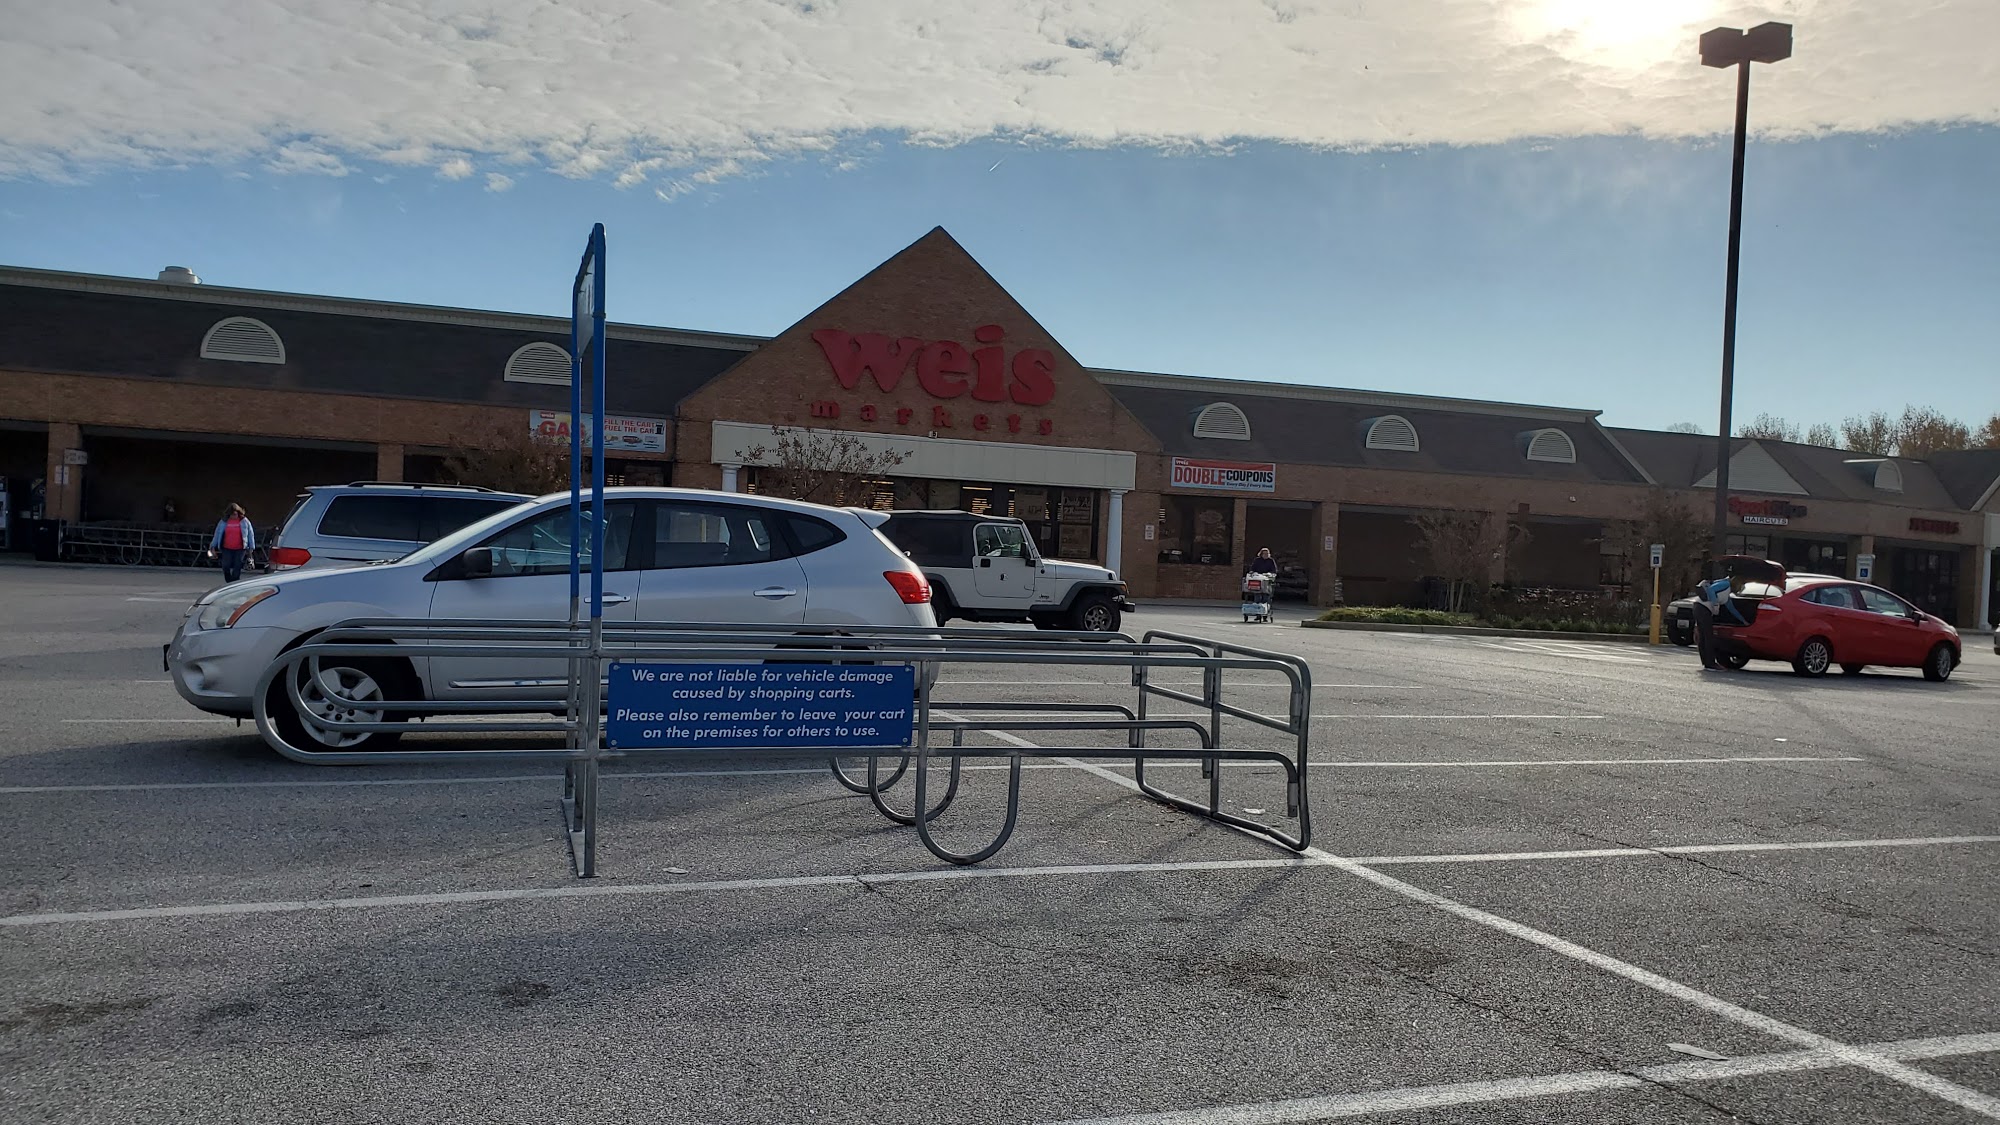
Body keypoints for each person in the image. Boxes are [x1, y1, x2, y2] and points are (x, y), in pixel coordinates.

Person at [208, 503, 256, 583]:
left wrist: (251, 547)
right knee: (225, 566)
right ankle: (228, 581)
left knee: (237, 566)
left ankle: (234, 582)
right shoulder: (223, 522)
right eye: (232, 514)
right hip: (226, 548)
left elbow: (250, 534)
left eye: (235, 514)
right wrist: (213, 546)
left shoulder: (244, 521)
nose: (234, 516)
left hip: (240, 548)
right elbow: (217, 534)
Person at [1692, 574, 1733, 669]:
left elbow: (1732, 609)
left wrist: (1743, 621)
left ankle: (1706, 662)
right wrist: (1715, 604)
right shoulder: (1726, 584)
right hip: (1703, 609)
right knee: (1708, 636)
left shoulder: (1726, 595)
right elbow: (1711, 590)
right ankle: (1711, 663)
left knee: (1703, 635)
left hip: (1698, 606)